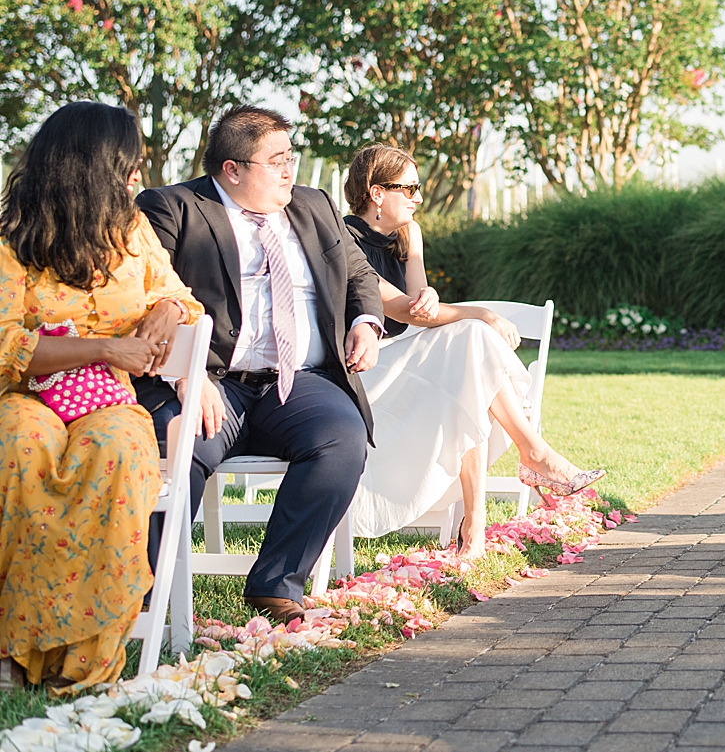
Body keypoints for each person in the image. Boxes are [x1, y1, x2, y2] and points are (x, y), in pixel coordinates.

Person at [133, 106, 385, 625]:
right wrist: (189, 373)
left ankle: (276, 583)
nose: (291, 170)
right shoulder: (172, 208)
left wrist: (366, 324)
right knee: (179, 448)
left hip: (297, 383)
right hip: (207, 382)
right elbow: (145, 296)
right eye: (277, 161)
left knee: (342, 438)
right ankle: (143, 594)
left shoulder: (314, 207)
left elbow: (358, 275)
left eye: (291, 157)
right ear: (233, 169)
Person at [0, 102, 203, 692]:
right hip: (25, 394)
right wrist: (105, 350)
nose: (138, 175)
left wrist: (166, 311)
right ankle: (17, 648)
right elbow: (5, 340)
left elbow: (177, 295)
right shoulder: (13, 243)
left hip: (107, 404)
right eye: (128, 164)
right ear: (86, 168)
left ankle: (84, 656)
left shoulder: (132, 232)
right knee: (20, 447)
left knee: (116, 452)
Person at [340, 145, 602, 559]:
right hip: (367, 370)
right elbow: (401, 309)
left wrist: (430, 296)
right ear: (376, 193)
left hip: (405, 355)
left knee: (470, 368)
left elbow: (418, 304)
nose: (418, 198)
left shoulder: (410, 234)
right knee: (471, 340)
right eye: (408, 189)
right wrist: (481, 313)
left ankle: (475, 523)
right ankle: (532, 455)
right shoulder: (343, 239)